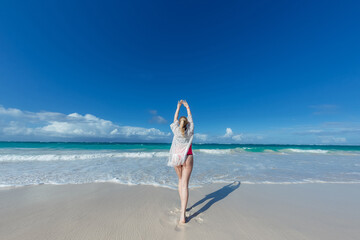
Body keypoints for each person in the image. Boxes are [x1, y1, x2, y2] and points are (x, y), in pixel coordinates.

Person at [168, 99, 194, 224]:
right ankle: (183, 215)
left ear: (179, 123)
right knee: (185, 185)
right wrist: (187, 106)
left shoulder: (176, 130)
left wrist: (178, 106)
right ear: (187, 123)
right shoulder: (190, 130)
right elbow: (191, 118)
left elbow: (174, 119)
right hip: (187, 157)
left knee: (179, 181)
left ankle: (182, 208)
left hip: (176, 157)